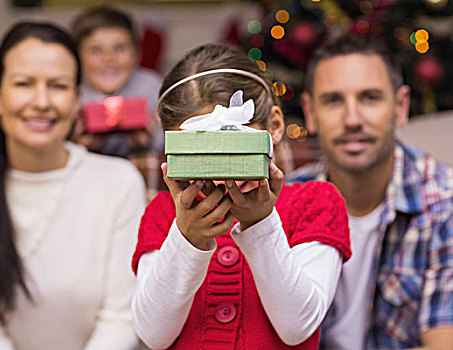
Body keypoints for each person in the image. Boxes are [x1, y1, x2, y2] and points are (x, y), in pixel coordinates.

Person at [0, 21, 145, 350]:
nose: (42, 101)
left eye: (58, 86)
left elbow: (120, 320)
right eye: (24, 83)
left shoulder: (119, 183)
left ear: (77, 99)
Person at [131, 43, 352, 349]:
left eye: (228, 143)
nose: (216, 170)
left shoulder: (315, 202)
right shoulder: (164, 211)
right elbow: (153, 335)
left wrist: (260, 223)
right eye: (195, 151)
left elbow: (297, 326)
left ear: (273, 126)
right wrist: (186, 238)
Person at [286, 33, 453, 349]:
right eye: (334, 100)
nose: (352, 119)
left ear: (400, 107)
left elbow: (442, 346)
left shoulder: (445, 202)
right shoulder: (283, 203)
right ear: (310, 113)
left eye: (370, 98)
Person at [70, 5, 163, 158]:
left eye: (119, 48)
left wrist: (148, 143)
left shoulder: (152, 88)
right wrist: (77, 144)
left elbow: (172, 139)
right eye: (96, 50)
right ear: (77, 58)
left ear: (137, 53)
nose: (108, 58)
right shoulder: (72, 93)